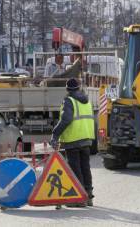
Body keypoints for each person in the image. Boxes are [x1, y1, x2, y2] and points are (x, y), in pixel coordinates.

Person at [50, 78, 95, 206]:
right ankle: (88, 197)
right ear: (79, 87)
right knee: (85, 168)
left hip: (73, 139)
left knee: (76, 169)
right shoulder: (86, 101)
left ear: (67, 89)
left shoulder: (69, 101)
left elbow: (66, 120)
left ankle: (80, 199)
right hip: (86, 138)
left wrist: (55, 134)